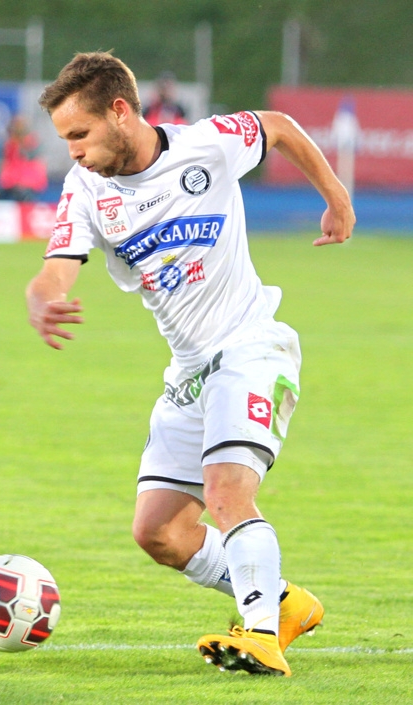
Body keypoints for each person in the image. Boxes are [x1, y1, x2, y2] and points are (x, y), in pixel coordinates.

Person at [26, 52, 354, 677]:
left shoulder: (206, 146)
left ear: (120, 112)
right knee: (160, 533)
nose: (71, 151)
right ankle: (282, 602)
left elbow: (278, 124)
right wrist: (43, 299)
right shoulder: (88, 188)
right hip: (189, 371)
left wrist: (336, 196)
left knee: (228, 494)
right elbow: (55, 270)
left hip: (252, 345)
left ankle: (260, 636)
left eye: (79, 135)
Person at [0, 115, 48, 201]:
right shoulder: (8, 145)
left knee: (24, 196)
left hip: (29, 183)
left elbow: (34, 166)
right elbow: (5, 164)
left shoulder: (32, 144)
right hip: (11, 183)